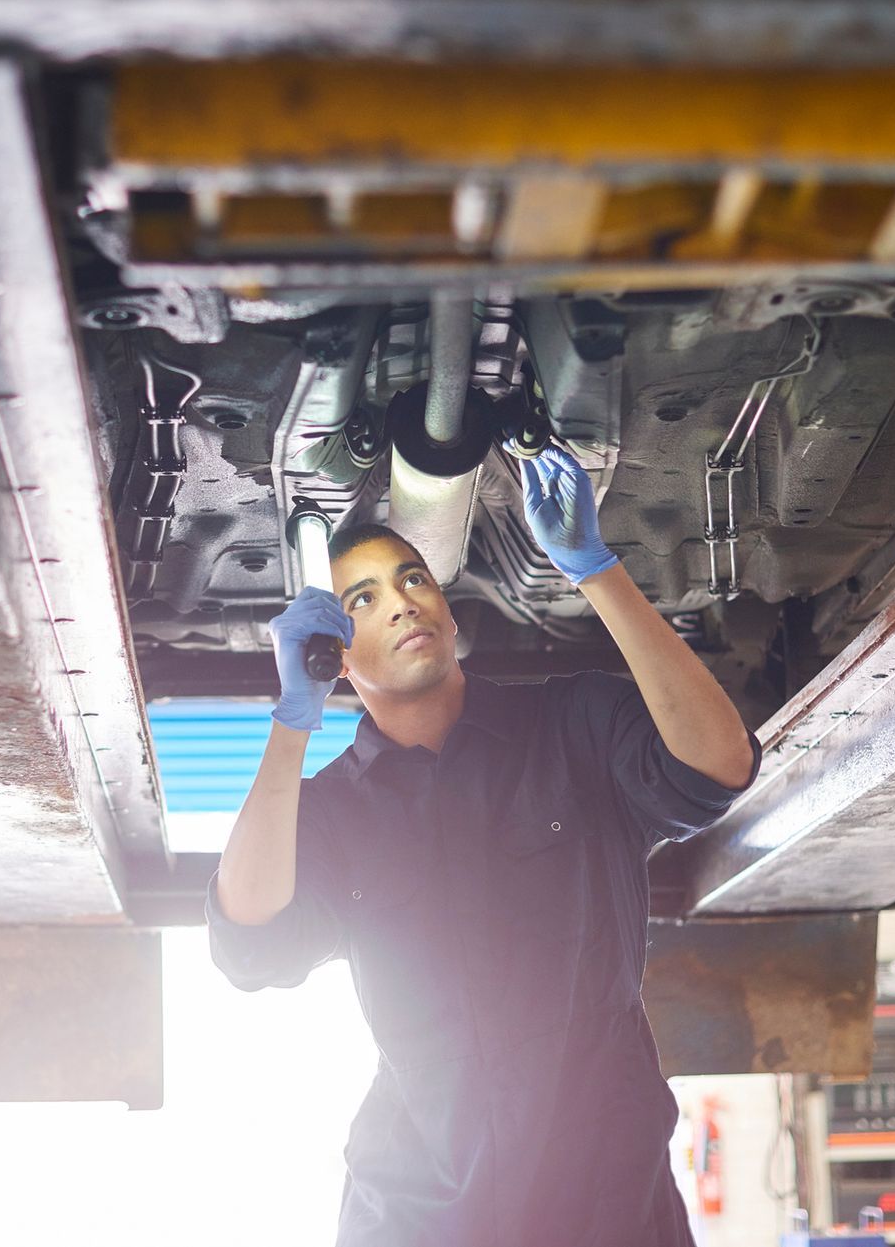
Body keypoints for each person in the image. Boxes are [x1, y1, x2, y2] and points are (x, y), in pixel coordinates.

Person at [206, 445, 761, 1246]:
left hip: (607, 1205)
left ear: (449, 609)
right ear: (336, 647)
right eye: (361, 599)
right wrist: (293, 718)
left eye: (413, 579)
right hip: (420, 1214)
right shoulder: (332, 814)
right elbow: (248, 946)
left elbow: (719, 766)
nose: (400, 602)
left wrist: (595, 567)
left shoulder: (574, 725)